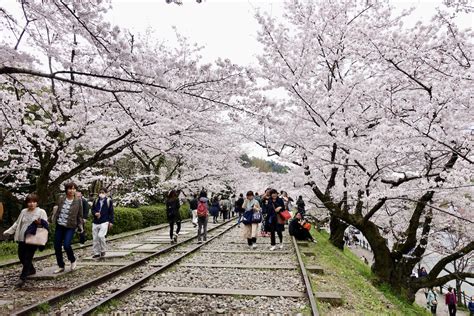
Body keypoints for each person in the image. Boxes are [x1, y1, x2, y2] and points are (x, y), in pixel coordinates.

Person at [3, 193, 48, 287]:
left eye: (34, 202)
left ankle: (22, 278)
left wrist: (40, 223)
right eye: (29, 202)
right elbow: (17, 223)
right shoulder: (23, 211)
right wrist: (9, 231)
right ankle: (31, 269)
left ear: (37, 203)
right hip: (22, 238)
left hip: (33, 238)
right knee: (21, 256)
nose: (31, 204)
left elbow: (45, 225)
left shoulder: (41, 212)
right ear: (26, 203)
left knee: (28, 258)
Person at [51, 182, 83, 273]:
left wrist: (80, 226)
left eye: (73, 189)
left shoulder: (78, 201)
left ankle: (72, 260)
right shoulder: (61, 199)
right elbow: (56, 211)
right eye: (70, 188)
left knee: (66, 245)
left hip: (71, 226)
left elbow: (80, 215)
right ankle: (61, 265)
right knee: (57, 246)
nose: (72, 190)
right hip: (60, 225)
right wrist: (52, 219)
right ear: (66, 190)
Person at [91, 188, 114, 257]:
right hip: (95, 221)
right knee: (95, 238)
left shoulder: (108, 201)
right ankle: (96, 253)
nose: (101, 194)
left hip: (105, 221)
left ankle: (103, 250)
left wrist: (111, 221)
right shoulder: (96, 200)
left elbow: (111, 212)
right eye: (100, 192)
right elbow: (93, 209)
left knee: (101, 236)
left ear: (106, 193)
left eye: (103, 192)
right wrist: (95, 213)